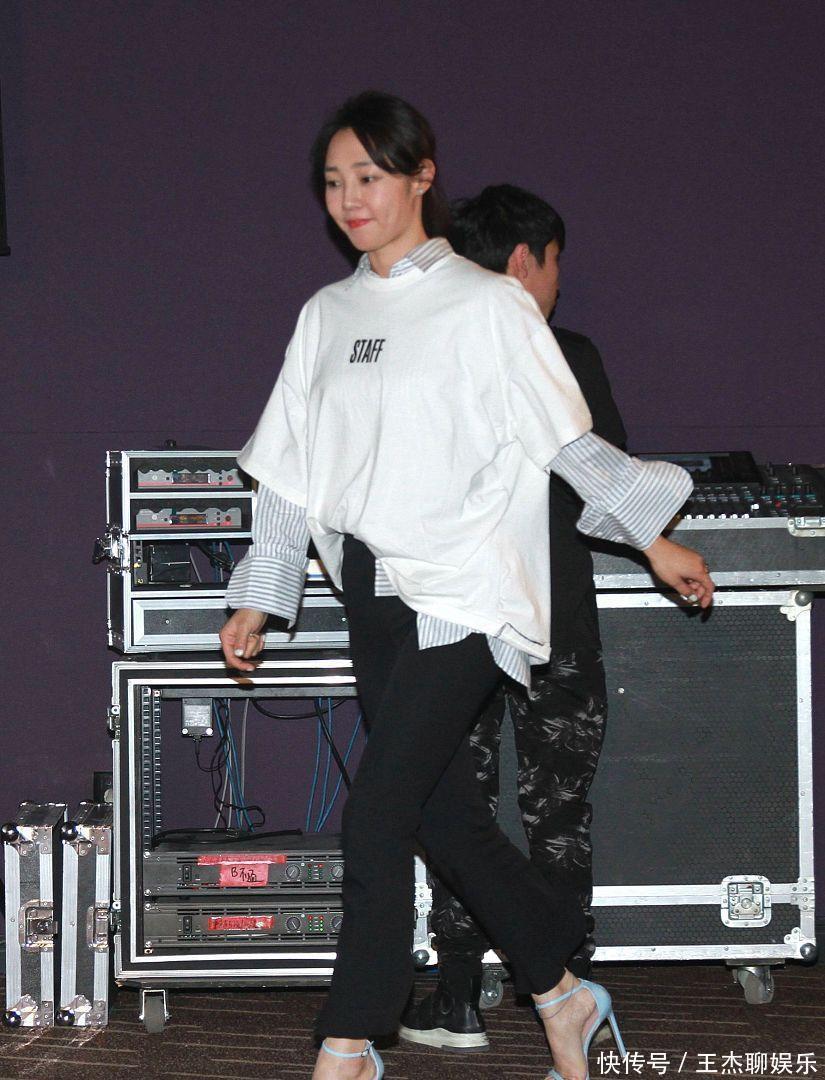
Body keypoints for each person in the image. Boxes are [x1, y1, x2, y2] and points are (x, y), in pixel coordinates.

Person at [219, 91, 714, 1080]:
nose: (350, 199)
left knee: (375, 815)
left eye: (368, 176)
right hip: (374, 588)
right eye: (334, 182)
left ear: (421, 176)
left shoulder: (487, 303)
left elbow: (564, 438)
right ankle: (563, 992)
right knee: (443, 815)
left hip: (466, 593)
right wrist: (260, 593)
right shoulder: (325, 317)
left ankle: (352, 1040)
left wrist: (652, 538)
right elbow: (289, 472)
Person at [399, 184, 627, 1052]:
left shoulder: (427, 352)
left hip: (453, 617)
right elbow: (604, 485)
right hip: (551, 616)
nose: (559, 280)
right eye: (556, 261)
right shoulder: (566, 356)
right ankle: (565, 991)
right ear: (525, 260)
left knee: (457, 806)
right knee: (557, 811)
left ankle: (456, 996)